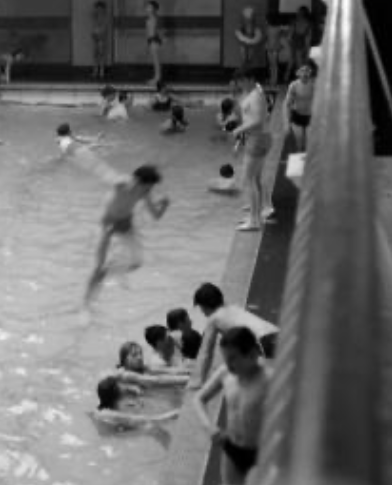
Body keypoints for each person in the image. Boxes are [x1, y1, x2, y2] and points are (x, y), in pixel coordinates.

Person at [62, 146, 169, 305]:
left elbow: (156, 216)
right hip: (107, 225)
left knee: (136, 263)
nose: (151, 189)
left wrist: (164, 205)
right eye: (149, 186)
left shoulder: (144, 193)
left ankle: (111, 272)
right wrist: (77, 153)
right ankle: (86, 304)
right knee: (98, 266)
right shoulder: (121, 183)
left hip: (125, 225)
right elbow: (98, 167)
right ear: (139, 181)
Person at [192, 328, 271, 485]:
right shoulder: (225, 374)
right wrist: (209, 427)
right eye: (226, 359)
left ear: (252, 354)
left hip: (262, 452)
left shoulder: (270, 380)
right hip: (232, 448)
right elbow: (198, 399)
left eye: (233, 358)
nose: (229, 364)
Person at [191, 282, 279, 384]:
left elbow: (206, 353)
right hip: (277, 333)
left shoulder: (214, 319)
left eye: (201, 308)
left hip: (264, 341)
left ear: (204, 306)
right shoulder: (233, 308)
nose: (201, 312)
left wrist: (199, 381)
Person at [231, 69, 273, 231]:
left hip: (257, 139)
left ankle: (254, 220)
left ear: (249, 79)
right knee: (255, 179)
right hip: (259, 138)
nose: (239, 84)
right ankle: (258, 212)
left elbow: (257, 120)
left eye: (241, 81)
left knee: (249, 180)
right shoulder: (254, 92)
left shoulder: (256, 95)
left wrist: (239, 129)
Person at [89, 377, 181, 431]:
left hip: (114, 426)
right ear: (116, 392)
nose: (123, 386)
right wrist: (173, 414)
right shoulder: (111, 415)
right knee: (148, 428)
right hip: (116, 432)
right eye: (120, 385)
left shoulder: (105, 406)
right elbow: (147, 420)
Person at [285, 63, 316, 152]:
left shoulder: (314, 85)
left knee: (308, 144)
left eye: (307, 70)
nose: (305, 73)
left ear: (310, 73)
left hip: (310, 117)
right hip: (297, 116)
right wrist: (288, 120)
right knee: (299, 144)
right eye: (302, 70)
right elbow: (288, 104)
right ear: (297, 73)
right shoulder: (293, 86)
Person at [287, 5, 314, 79]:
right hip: (300, 43)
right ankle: (301, 78)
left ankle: (289, 78)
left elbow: (290, 35)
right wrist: (307, 48)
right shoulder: (307, 23)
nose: (297, 13)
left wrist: (289, 41)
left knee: (294, 61)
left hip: (297, 43)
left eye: (298, 11)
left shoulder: (295, 22)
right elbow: (308, 38)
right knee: (300, 62)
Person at [264, 12, 288, 87]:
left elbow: (266, 35)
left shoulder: (268, 27)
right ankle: (273, 80)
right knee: (274, 65)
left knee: (272, 65)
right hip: (274, 47)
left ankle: (273, 80)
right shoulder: (278, 28)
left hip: (270, 47)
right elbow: (286, 29)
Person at [145, 1, 163, 86]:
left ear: (154, 9)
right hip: (151, 40)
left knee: (156, 61)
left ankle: (157, 78)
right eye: (147, 6)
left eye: (149, 7)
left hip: (154, 40)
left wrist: (158, 40)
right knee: (155, 61)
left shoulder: (155, 18)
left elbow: (157, 31)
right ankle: (156, 77)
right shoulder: (150, 18)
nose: (147, 8)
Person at [92, 1, 110, 80]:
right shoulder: (95, 17)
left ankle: (101, 71)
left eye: (99, 8)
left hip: (101, 36)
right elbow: (94, 28)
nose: (98, 10)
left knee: (101, 54)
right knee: (95, 54)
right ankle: (95, 70)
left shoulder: (104, 18)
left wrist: (101, 36)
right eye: (97, 8)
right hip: (96, 36)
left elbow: (104, 29)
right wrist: (94, 35)